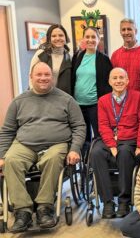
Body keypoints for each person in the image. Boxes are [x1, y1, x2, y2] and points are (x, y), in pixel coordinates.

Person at [0, 62, 86, 233]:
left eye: (47, 75)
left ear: (52, 77)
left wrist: (75, 149)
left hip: (56, 144)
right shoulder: (19, 101)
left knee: (53, 159)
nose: (43, 78)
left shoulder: (66, 100)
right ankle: (22, 211)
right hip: (25, 144)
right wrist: (2, 155)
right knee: (11, 160)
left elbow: (79, 126)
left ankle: (44, 208)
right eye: (39, 75)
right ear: (31, 77)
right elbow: (7, 131)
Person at [90, 68, 140, 219]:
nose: (118, 81)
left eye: (122, 77)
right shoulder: (103, 100)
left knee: (123, 154)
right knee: (95, 152)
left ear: (128, 80)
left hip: (130, 139)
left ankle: (124, 201)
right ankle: (108, 202)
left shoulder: (137, 97)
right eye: (114, 78)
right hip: (109, 140)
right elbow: (102, 125)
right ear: (109, 82)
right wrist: (111, 145)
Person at [71, 26, 112, 148]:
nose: (90, 40)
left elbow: (108, 84)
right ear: (83, 39)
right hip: (78, 105)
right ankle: (85, 164)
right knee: (83, 138)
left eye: (93, 37)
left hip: (96, 105)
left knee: (99, 137)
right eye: (87, 37)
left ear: (98, 40)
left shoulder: (104, 60)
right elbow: (73, 79)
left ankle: (98, 162)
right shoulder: (77, 57)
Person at [29, 24, 72, 94]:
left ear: (65, 38)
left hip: (61, 97)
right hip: (42, 96)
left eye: (61, 35)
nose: (58, 38)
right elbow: (31, 76)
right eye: (54, 36)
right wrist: (34, 95)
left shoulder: (69, 57)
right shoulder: (40, 54)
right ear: (49, 38)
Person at [111, 18, 140, 92]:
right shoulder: (115, 55)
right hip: (120, 98)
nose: (126, 32)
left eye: (129, 29)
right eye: (123, 30)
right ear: (120, 32)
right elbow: (113, 79)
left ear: (136, 31)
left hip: (139, 99)